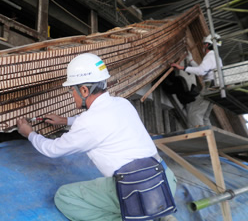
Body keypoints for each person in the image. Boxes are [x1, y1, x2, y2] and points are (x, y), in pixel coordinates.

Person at [17, 53, 177, 221]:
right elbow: (100, 122)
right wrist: (65, 120)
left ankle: (140, 216)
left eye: (72, 90)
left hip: (136, 190)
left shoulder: (88, 123)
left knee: (64, 197)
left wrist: (29, 133)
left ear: (84, 90)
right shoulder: (122, 103)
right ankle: (161, 215)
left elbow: (52, 149)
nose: (72, 95)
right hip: (165, 182)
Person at [171, 34, 222, 128]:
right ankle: (209, 137)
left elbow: (200, 72)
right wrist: (190, 60)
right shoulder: (216, 57)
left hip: (210, 86)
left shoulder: (210, 56)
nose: (203, 46)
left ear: (207, 45)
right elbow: (202, 70)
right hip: (216, 87)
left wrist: (182, 67)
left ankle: (201, 136)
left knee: (195, 113)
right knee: (205, 116)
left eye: (204, 44)